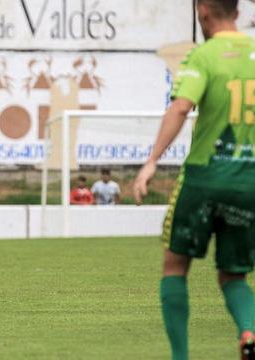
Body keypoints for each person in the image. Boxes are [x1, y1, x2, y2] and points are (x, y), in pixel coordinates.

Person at [133, 1, 255, 359]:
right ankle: (249, 333)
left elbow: (181, 107)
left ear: (203, 12)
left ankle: (180, 357)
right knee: (233, 276)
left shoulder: (202, 57)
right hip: (248, 184)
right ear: (237, 12)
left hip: (203, 179)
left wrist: (152, 160)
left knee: (175, 267)